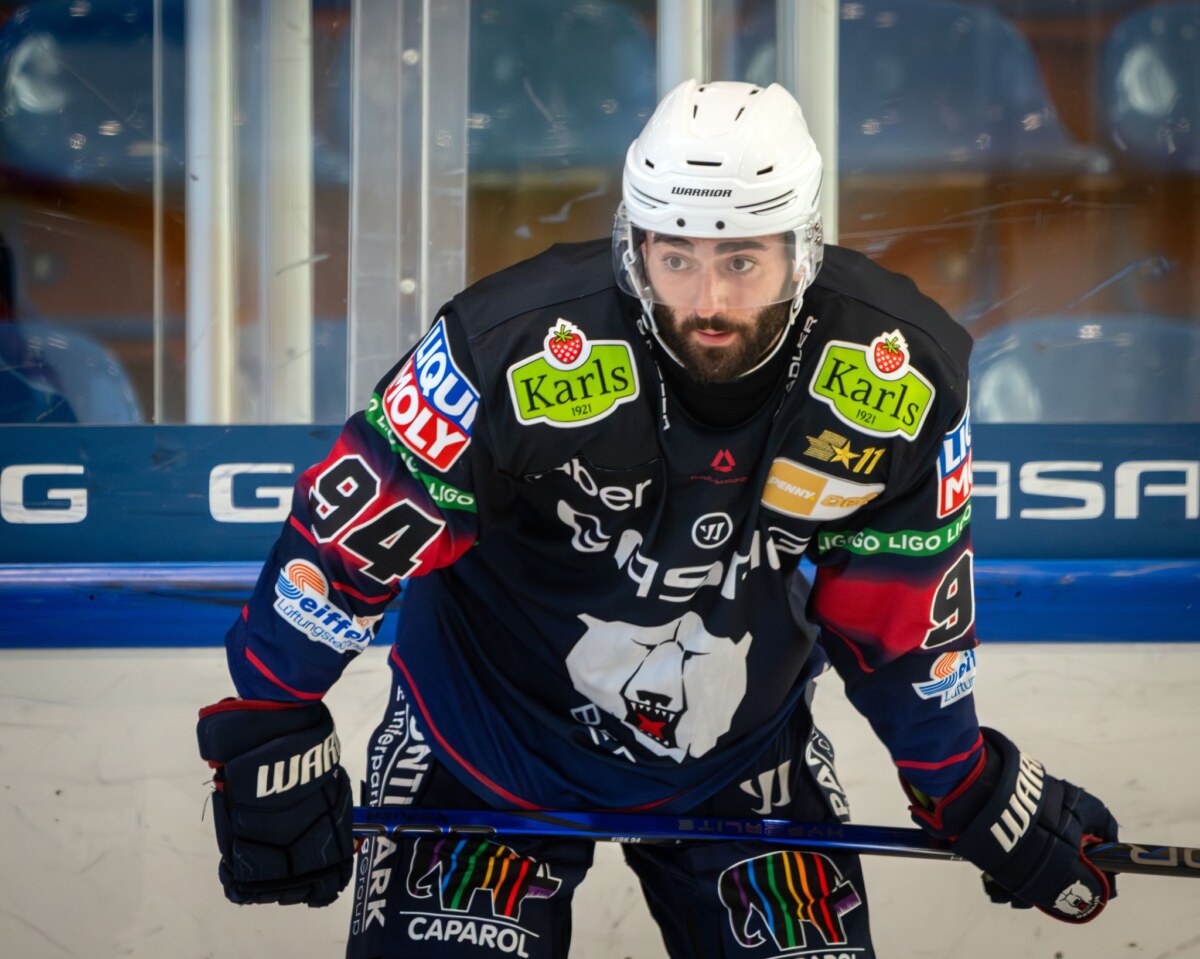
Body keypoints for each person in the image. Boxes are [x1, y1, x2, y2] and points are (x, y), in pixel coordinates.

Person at [197, 80, 1119, 958]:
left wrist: (959, 779)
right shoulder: (514, 345)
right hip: (481, 746)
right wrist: (270, 714)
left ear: (803, 249)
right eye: (675, 257)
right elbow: (349, 528)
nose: (708, 302)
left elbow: (902, 613)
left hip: (740, 758)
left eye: (741, 260)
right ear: (633, 245)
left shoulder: (894, 373)